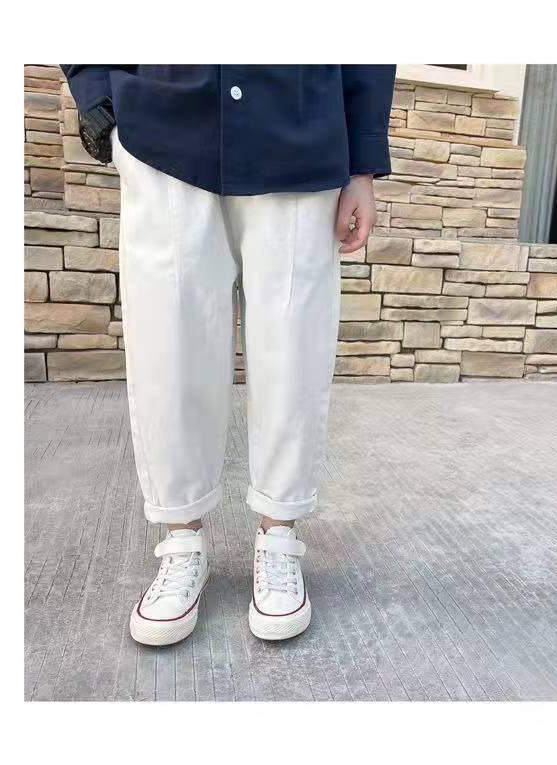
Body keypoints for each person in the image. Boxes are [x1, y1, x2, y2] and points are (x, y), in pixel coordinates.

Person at [62, 64, 395, 645]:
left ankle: (279, 535)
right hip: (164, 122)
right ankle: (181, 542)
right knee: (169, 346)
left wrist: (363, 163)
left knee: (293, 348)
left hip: (299, 124)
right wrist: (98, 98)